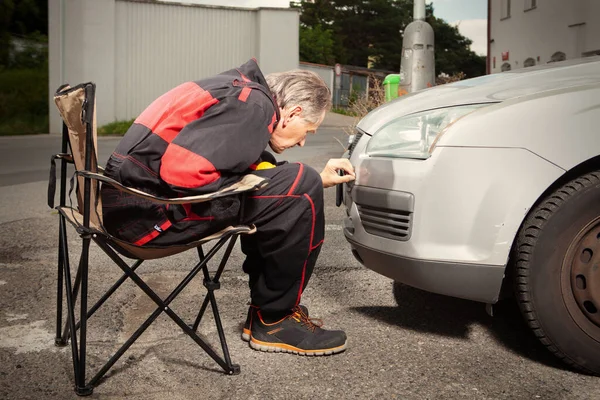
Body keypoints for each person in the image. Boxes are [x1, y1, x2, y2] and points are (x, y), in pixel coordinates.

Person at [101, 58, 355, 356]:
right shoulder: (254, 106)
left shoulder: (239, 92)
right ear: (292, 113)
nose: (302, 142)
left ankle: (268, 310)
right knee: (301, 187)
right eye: (308, 131)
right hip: (148, 218)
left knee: (295, 182)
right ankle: (275, 319)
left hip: (129, 208)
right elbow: (183, 172)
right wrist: (293, 187)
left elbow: (220, 158)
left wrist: (283, 184)